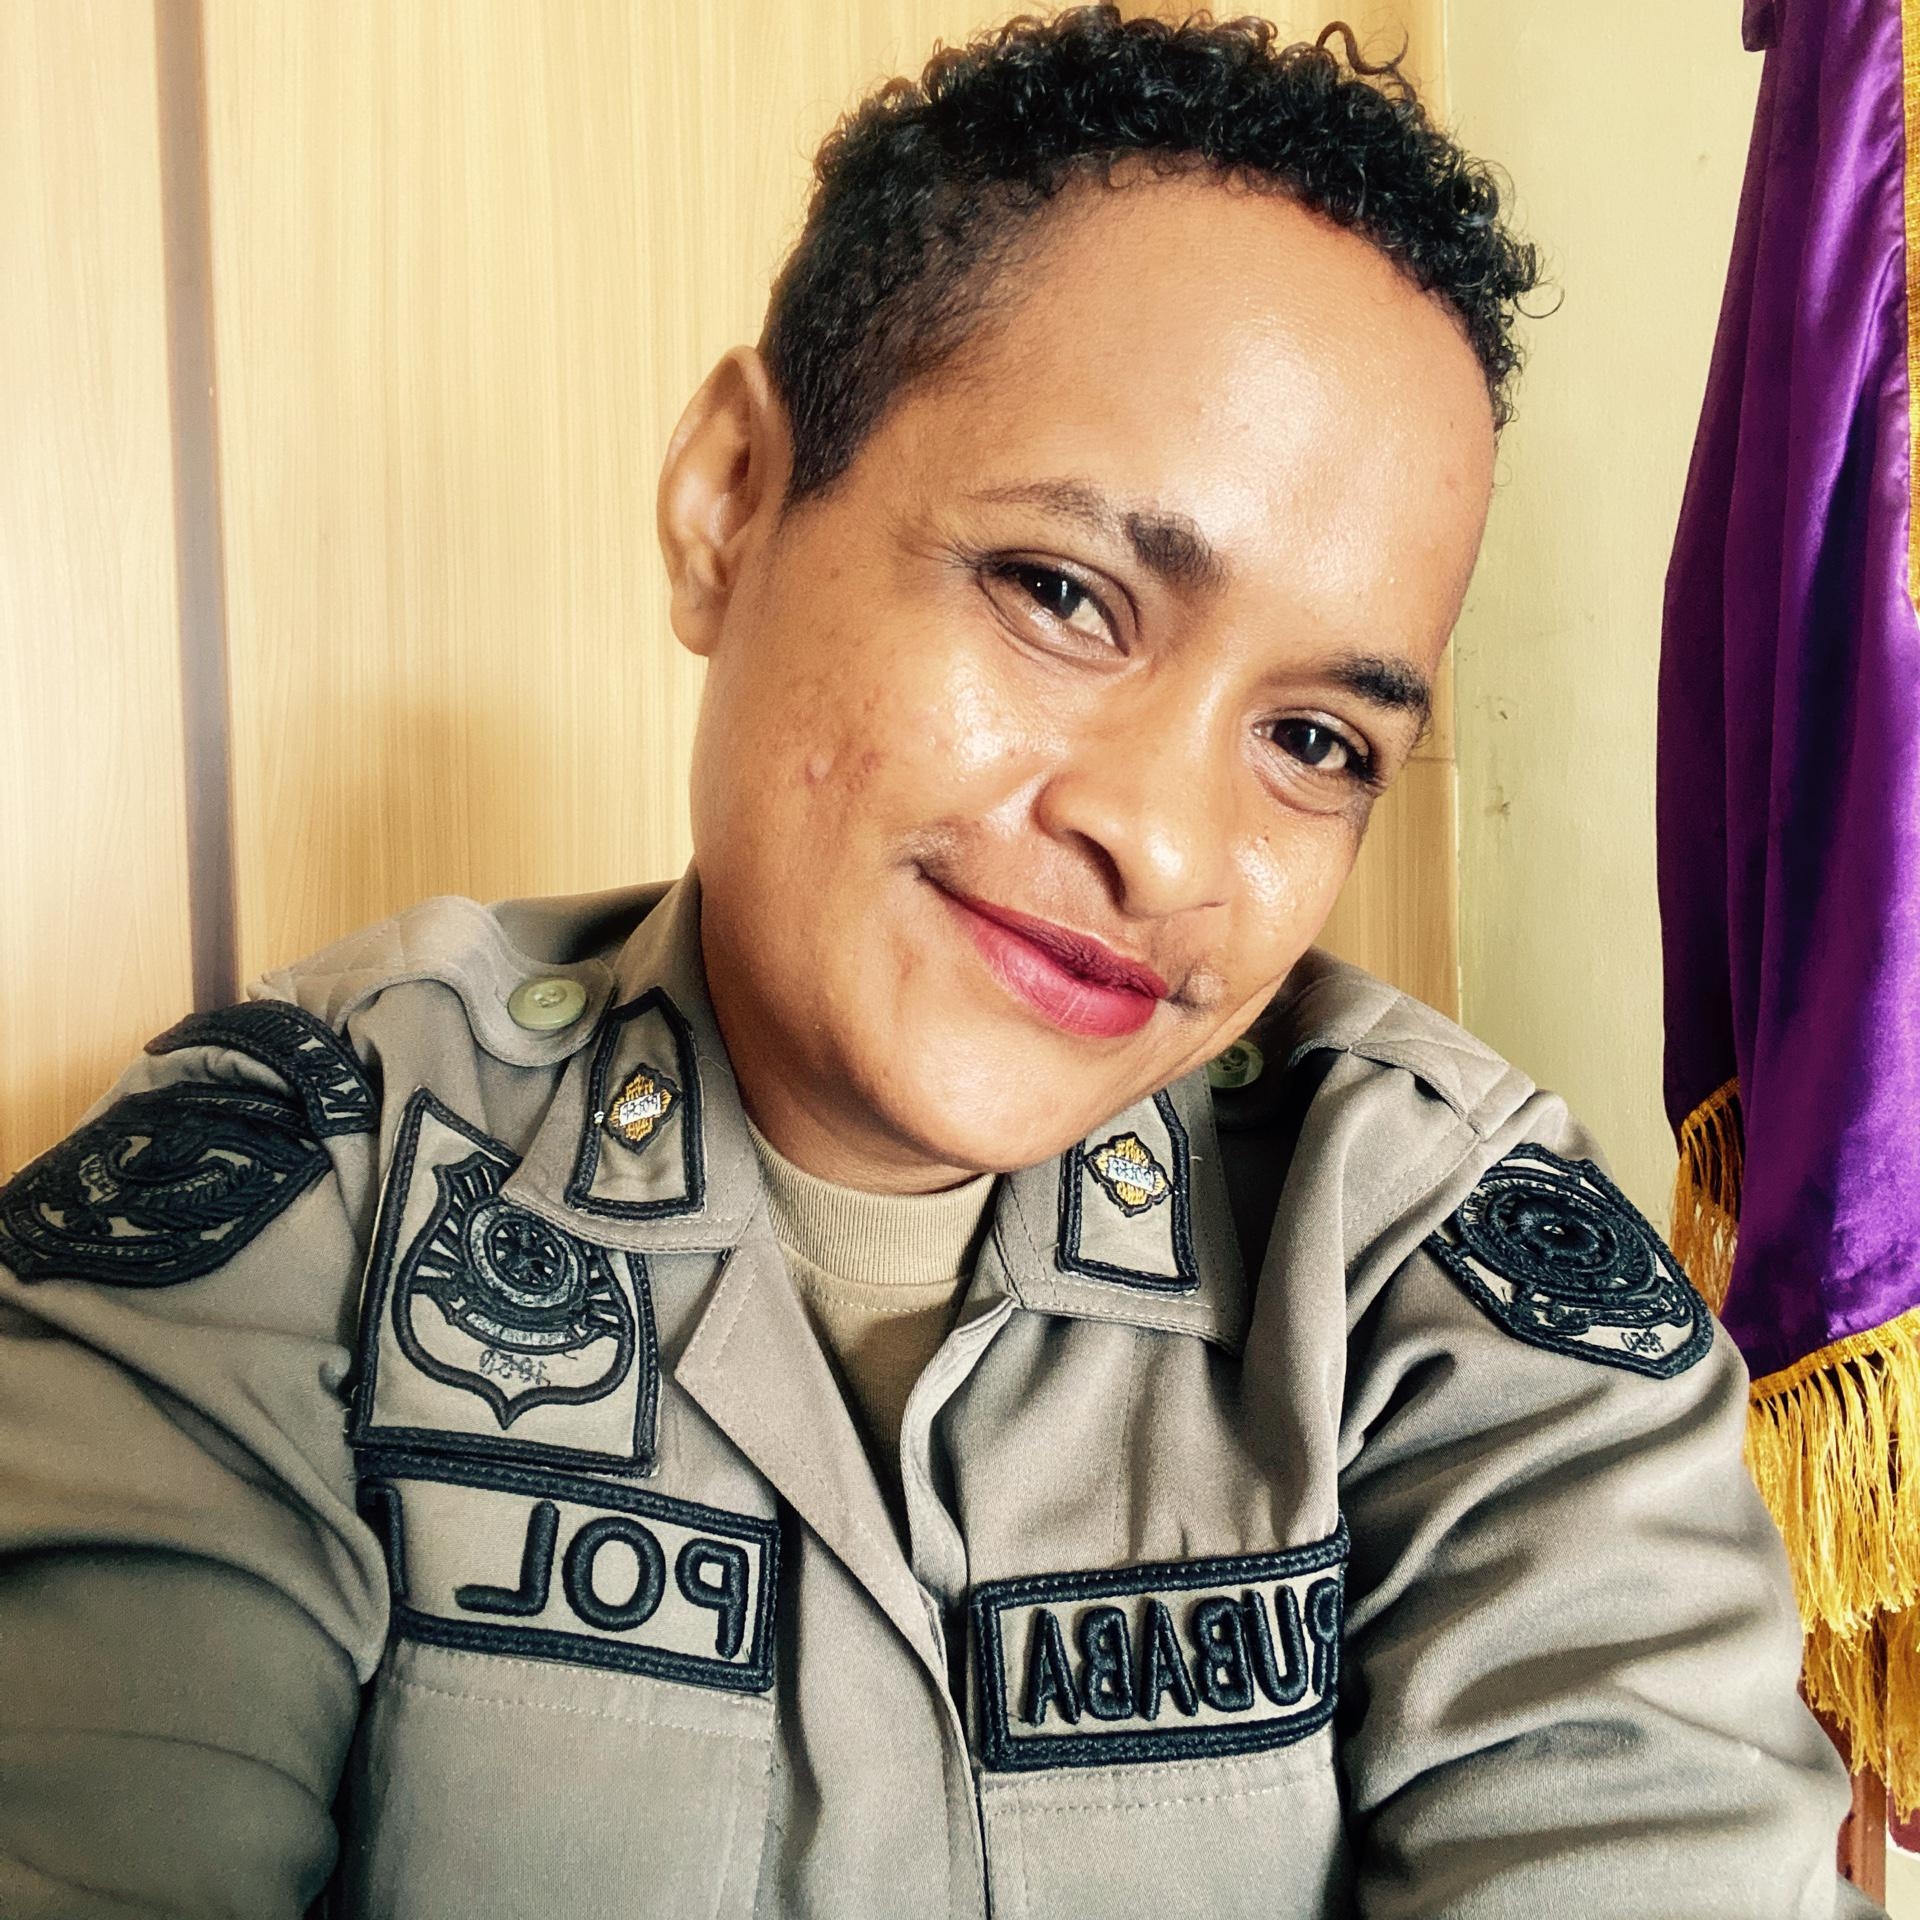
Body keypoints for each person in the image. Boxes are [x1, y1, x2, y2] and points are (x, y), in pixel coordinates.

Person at [0, 8, 1877, 1917]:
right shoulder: (307, 1186)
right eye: (1063, 594)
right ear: (733, 499)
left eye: (1316, 742)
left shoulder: (1431, 1265)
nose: (1164, 844)